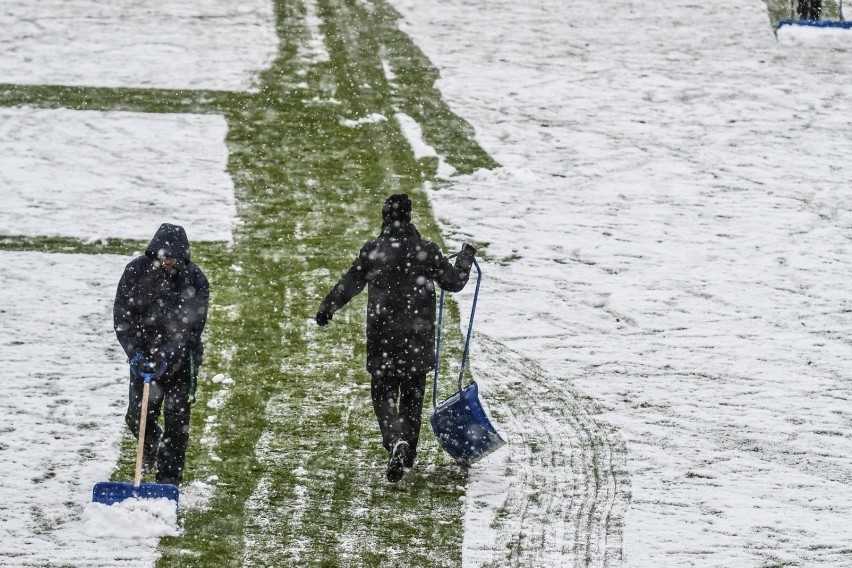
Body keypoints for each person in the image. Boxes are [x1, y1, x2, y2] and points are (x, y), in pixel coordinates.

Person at [315, 194, 476, 482]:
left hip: (383, 338)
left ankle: (394, 442)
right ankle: (408, 453)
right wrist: (465, 259)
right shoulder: (426, 251)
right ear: (410, 218)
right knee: (412, 399)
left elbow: (349, 284)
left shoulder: (373, 251)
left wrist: (327, 309)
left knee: (384, 395)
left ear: (385, 219)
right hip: (417, 338)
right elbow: (454, 282)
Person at [114, 223, 209, 485]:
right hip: (143, 358)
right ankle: (151, 444)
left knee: (177, 420)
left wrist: (166, 357)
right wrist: (136, 354)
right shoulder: (135, 272)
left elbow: (192, 330)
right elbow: (123, 316)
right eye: (163, 257)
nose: (166, 262)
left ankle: (168, 479)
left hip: (180, 360)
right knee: (138, 415)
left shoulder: (196, 280)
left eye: (172, 258)